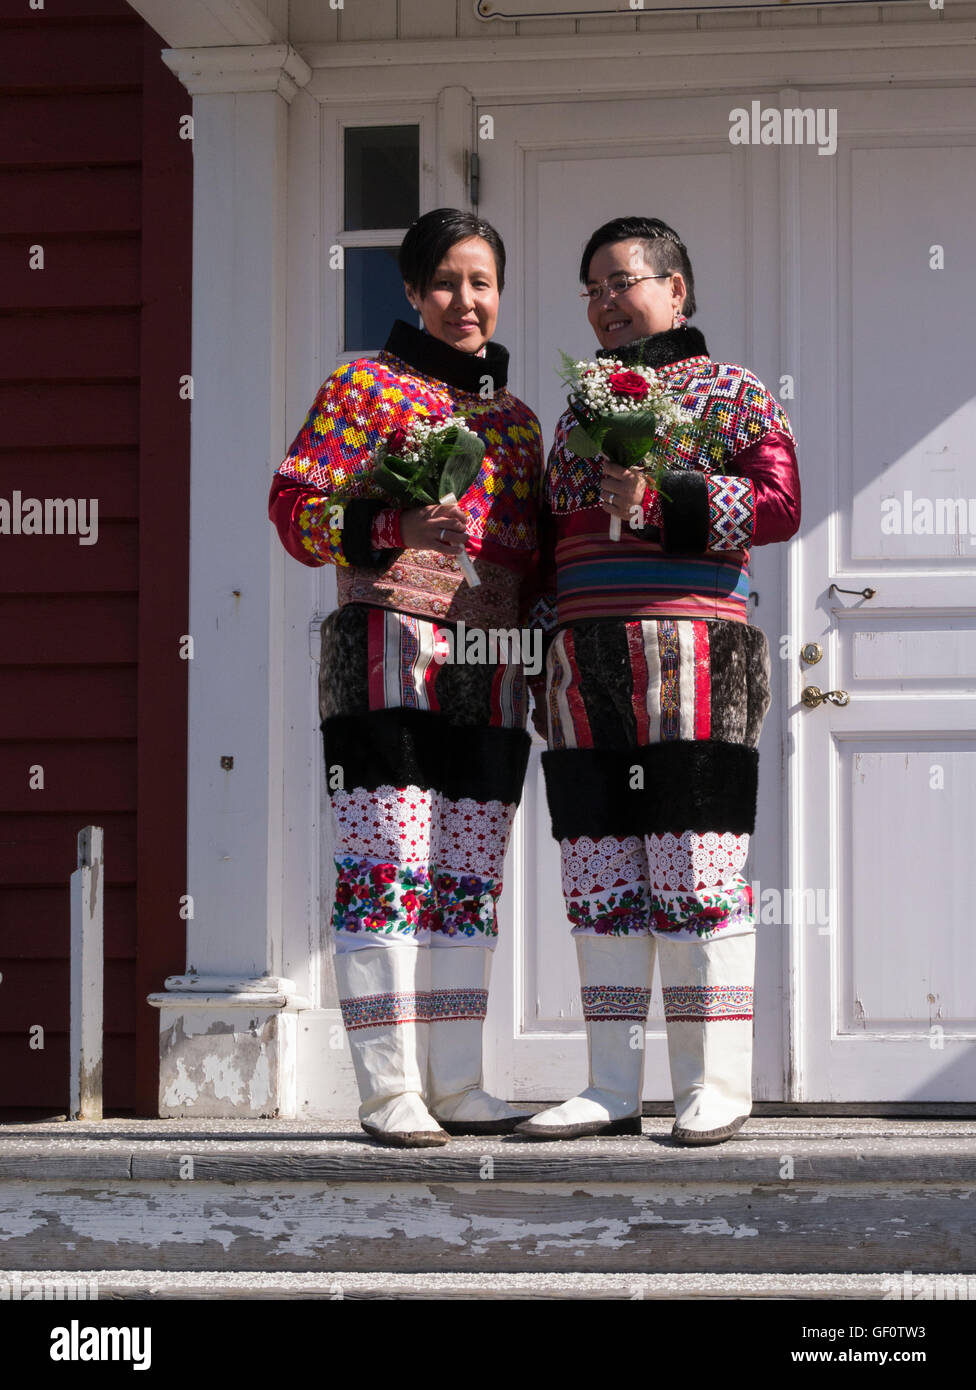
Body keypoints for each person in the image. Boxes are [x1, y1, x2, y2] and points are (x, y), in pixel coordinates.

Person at [517, 217, 801, 1145]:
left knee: (696, 864)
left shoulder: (733, 390)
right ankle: (607, 1085)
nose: (605, 302)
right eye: (590, 288)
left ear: (677, 289)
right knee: (598, 871)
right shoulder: (576, 408)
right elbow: (558, 531)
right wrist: (543, 644)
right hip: (585, 663)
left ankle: (711, 1086)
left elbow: (780, 503)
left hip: (696, 658)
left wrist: (666, 495)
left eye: (623, 281)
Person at [269, 209, 544, 1146]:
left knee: (467, 880)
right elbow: (294, 512)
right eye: (447, 283)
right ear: (413, 291)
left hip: (491, 666)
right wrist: (392, 531)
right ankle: (388, 1093)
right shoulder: (363, 387)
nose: (466, 302)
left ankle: (458, 1084)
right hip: (385, 651)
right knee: (386, 873)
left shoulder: (516, 423)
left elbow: (533, 560)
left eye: (483, 283)